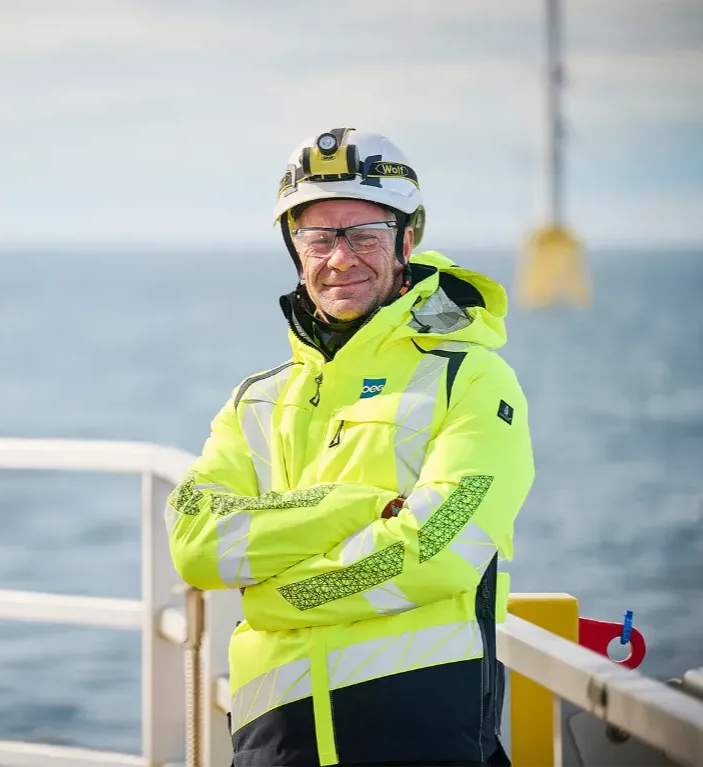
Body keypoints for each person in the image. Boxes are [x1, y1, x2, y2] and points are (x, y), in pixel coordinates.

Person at [166, 128, 534, 767]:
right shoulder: (257, 400)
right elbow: (196, 544)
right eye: (318, 236)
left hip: (420, 740)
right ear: (295, 248)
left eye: (364, 234)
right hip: (273, 744)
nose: (340, 258)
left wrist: (279, 596)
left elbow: (438, 552)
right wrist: (356, 507)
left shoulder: (470, 379)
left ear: (406, 242)